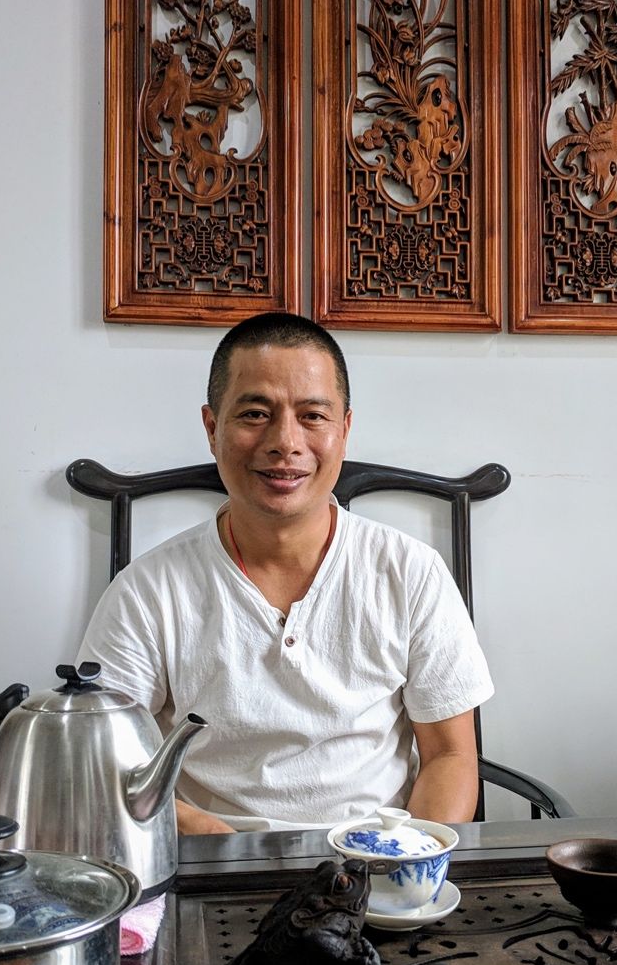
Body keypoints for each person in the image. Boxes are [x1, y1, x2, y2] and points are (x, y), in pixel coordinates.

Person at [76, 312, 493, 834]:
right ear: (212, 428)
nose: (285, 442)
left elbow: (450, 757)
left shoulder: (410, 572)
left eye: (313, 416)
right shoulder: (148, 592)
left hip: (375, 857)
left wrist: (407, 859)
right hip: (209, 859)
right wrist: (223, 850)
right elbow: (106, 763)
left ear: (344, 429)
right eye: (255, 414)